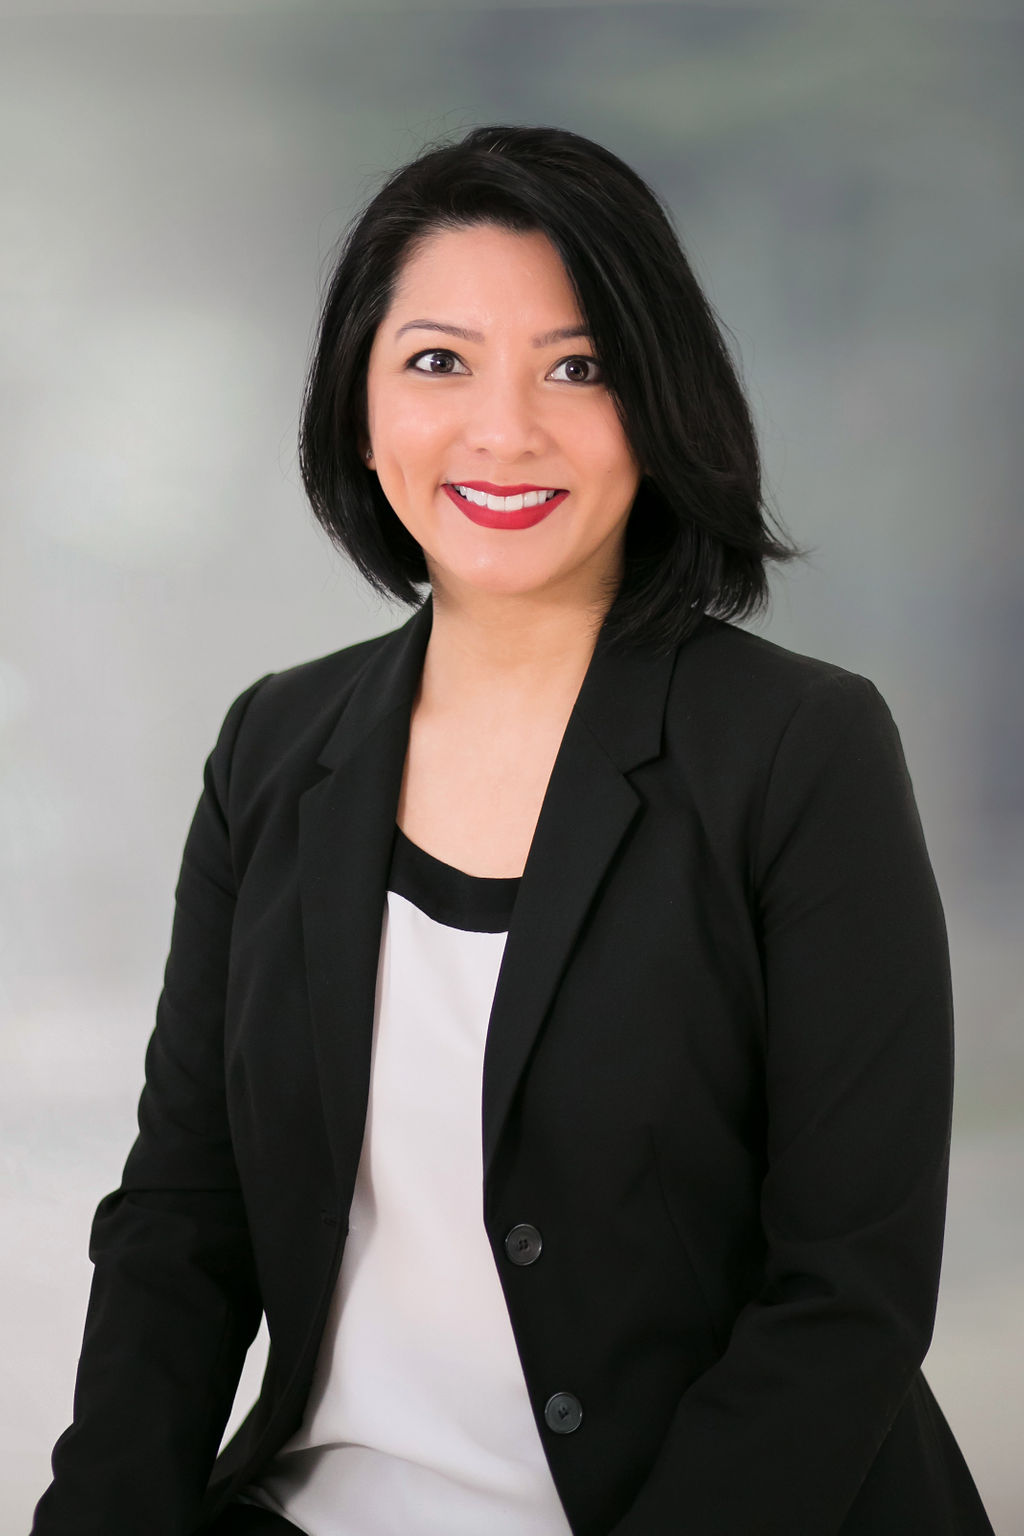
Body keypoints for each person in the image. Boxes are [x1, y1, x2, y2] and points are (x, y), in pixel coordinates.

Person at [32, 123, 995, 1536]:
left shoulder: (802, 749)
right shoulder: (272, 747)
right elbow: (186, 1213)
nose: (505, 430)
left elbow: (846, 1293)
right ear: (360, 408)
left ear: (661, 407)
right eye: (438, 362)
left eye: (579, 366)